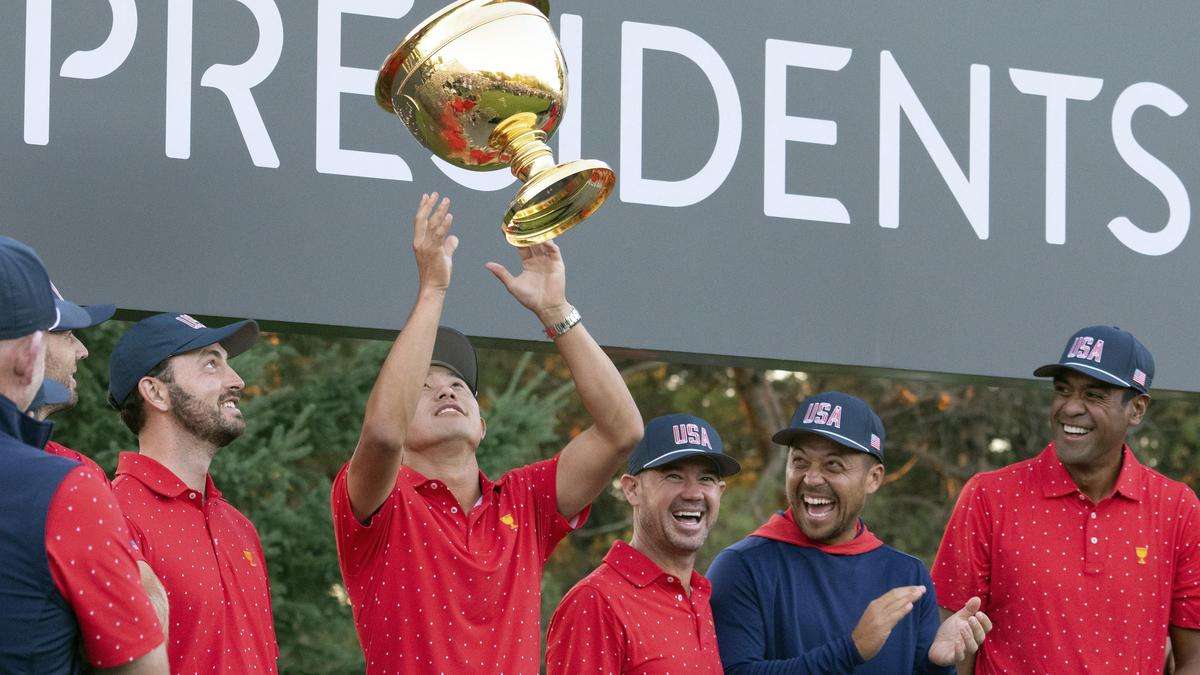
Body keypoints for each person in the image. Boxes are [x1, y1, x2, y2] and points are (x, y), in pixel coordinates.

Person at [331, 193, 644, 673]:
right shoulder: (383, 501)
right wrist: (433, 288)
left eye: (459, 384)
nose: (446, 391)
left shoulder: (525, 502)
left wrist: (555, 310)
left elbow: (623, 430)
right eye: (423, 386)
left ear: (482, 424)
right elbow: (381, 435)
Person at [932, 325, 1200, 673]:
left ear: (1136, 409)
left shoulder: (1177, 508)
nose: (1070, 408)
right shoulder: (989, 496)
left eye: (1094, 394)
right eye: (1062, 391)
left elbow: (1194, 657)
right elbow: (952, 648)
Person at [709, 391, 991, 673]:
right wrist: (850, 650)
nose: (812, 478)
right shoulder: (742, 567)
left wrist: (937, 666)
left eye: (833, 464)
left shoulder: (908, 576)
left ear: (873, 478)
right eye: (800, 462)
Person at [0, 236, 167, 673]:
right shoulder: (64, 485)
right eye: (68, 333)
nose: (83, 350)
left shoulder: (70, 470)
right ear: (29, 352)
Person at [108, 312, 278, 673]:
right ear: (156, 392)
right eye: (211, 365)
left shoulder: (240, 528)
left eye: (228, 364)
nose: (237, 381)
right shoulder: (113, 517)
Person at [546, 414, 741, 674]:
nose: (694, 493)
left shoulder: (700, 595)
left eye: (706, 479)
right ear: (632, 489)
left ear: (721, 491)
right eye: (673, 476)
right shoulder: (595, 602)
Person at [28, 283, 171, 633]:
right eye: (67, 334)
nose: (83, 351)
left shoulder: (80, 470)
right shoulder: (72, 477)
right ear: (23, 345)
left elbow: (147, 608)